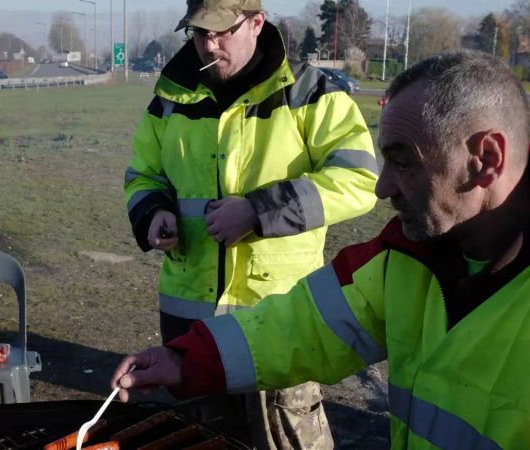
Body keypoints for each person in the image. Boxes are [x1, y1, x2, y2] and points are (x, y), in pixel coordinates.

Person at [115, 51, 530, 449]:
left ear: (486, 160)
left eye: (403, 163)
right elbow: (301, 326)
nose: (384, 186)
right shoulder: (411, 255)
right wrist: (184, 360)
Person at [123, 0, 378, 447]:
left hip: (280, 323)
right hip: (189, 324)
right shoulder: (170, 96)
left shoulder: (311, 93)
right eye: (199, 32)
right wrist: (153, 212)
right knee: (199, 440)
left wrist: (260, 211)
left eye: (221, 31)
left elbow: (360, 179)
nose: (209, 44)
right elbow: (143, 173)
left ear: (257, 23)